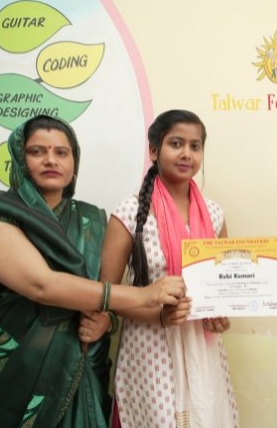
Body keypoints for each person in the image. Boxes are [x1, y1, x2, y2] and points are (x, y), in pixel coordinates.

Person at [0, 115, 186, 427]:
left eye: (61, 152)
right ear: (19, 159)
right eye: (37, 151)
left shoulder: (92, 220)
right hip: (12, 371)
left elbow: (103, 292)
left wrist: (107, 320)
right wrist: (145, 296)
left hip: (81, 367)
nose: (50, 160)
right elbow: (43, 285)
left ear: (74, 165)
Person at [92, 109, 239, 427]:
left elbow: (223, 284)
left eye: (195, 146)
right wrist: (158, 316)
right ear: (154, 150)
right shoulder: (130, 213)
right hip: (149, 346)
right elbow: (105, 294)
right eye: (176, 143)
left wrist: (220, 315)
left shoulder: (214, 214)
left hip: (203, 347)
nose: (187, 153)